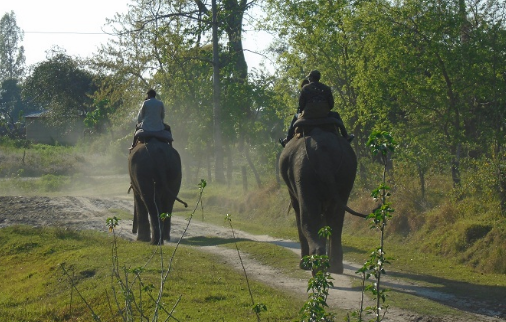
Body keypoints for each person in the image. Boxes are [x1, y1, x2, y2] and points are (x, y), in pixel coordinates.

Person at [279, 70, 353, 147]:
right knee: (337, 115)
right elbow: (331, 105)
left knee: (295, 117)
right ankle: (346, 136)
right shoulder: (326, 88)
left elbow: (301, 105)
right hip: (325, 114)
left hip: (308, 115)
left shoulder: (305, 88)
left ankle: (288, 139)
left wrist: (302, 111)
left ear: (310, 78)